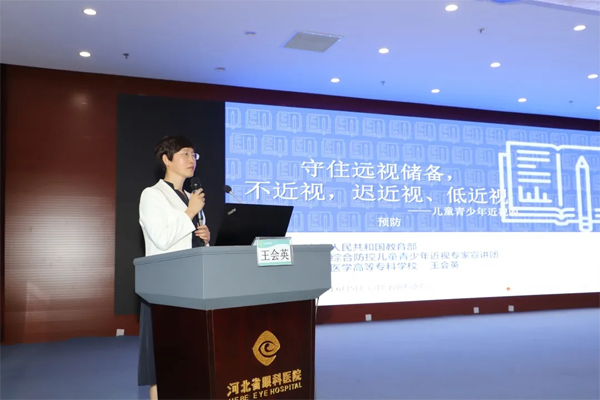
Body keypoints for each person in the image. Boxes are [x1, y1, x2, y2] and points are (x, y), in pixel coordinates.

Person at [137, 135, 210, 400]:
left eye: (194, 155)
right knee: (163, 366)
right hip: (163, 289)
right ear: (166, 159)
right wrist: (189, 213)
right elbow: (162, 238)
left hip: (193, 287)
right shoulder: (152, 195)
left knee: (190, 361)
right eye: (185, 154)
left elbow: (189, 241)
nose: (192, 160)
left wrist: (204, 238)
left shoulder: (192, 197)